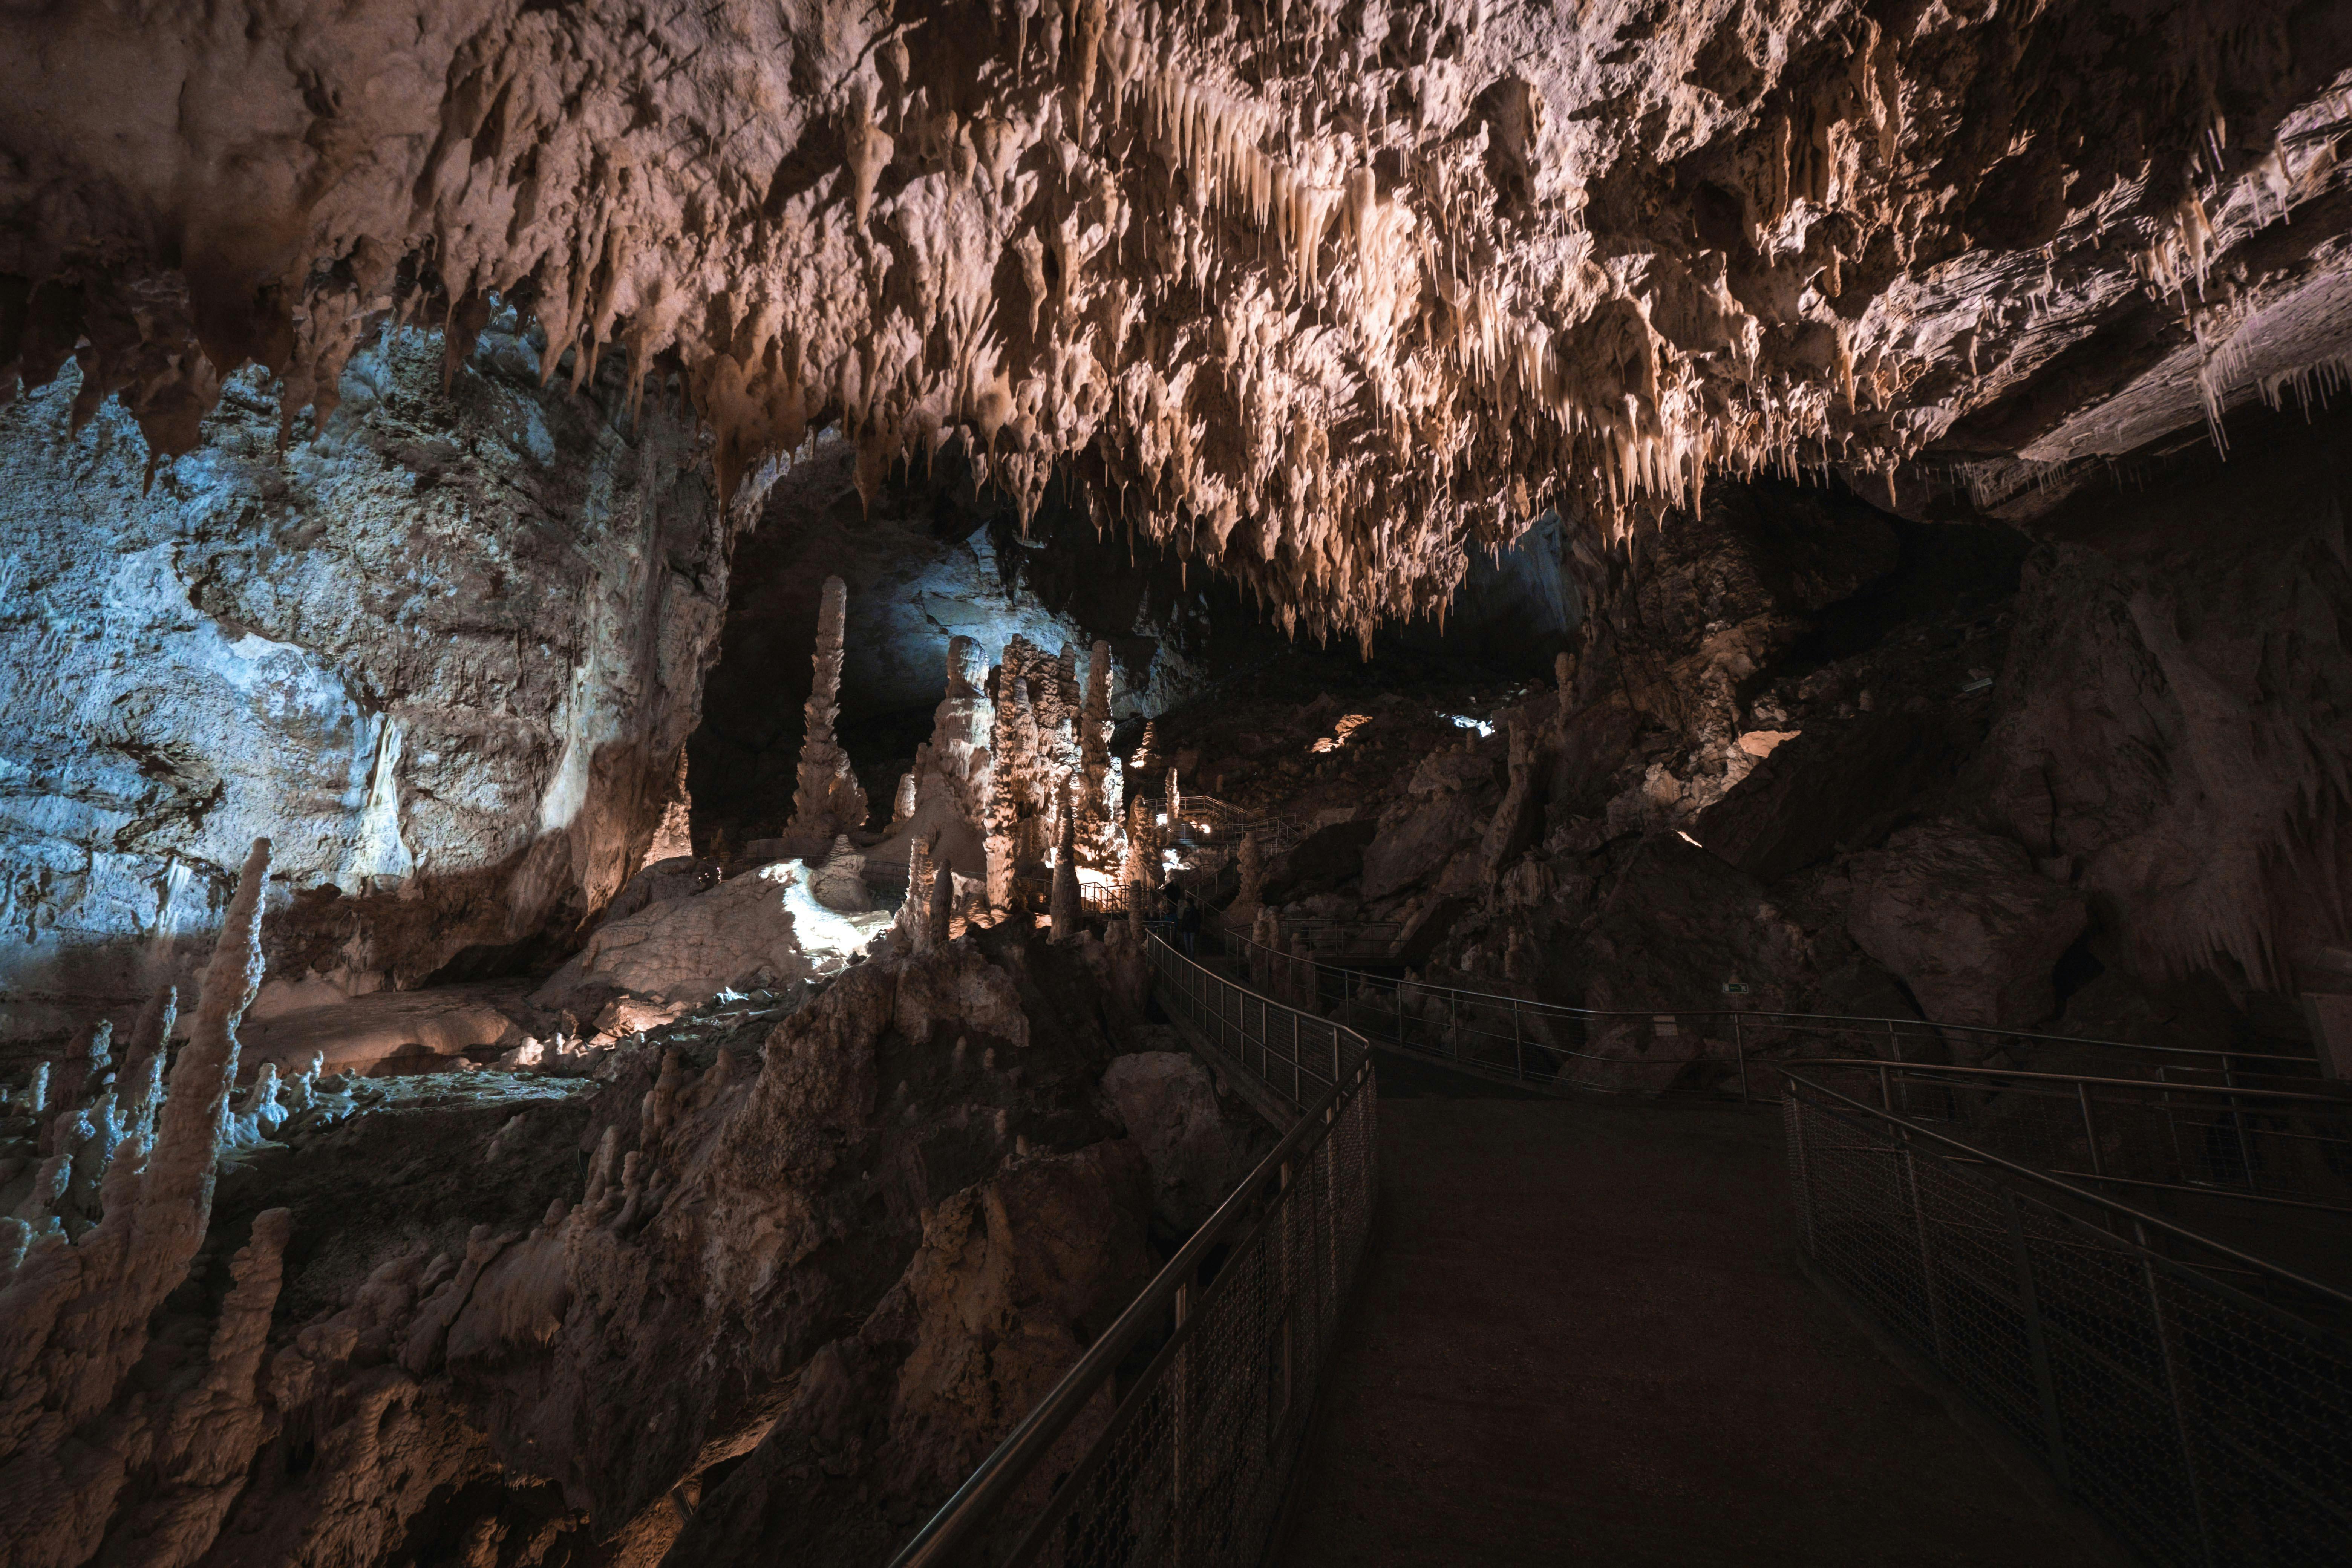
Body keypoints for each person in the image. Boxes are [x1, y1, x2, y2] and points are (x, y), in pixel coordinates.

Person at [1175, 887, 1202, 958]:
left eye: (1187, 903)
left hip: (1192, 930)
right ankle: (1189, 957)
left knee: (1192, 945)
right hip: (1186, 930)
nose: (1185, 904)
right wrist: (1182, 928)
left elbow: (1197, 921)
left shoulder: (1195, 911)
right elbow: (1184, 920)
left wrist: (1197, 930)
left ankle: (1192, 959)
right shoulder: (1186, 910)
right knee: (1187, 945)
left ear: (1190, 904)